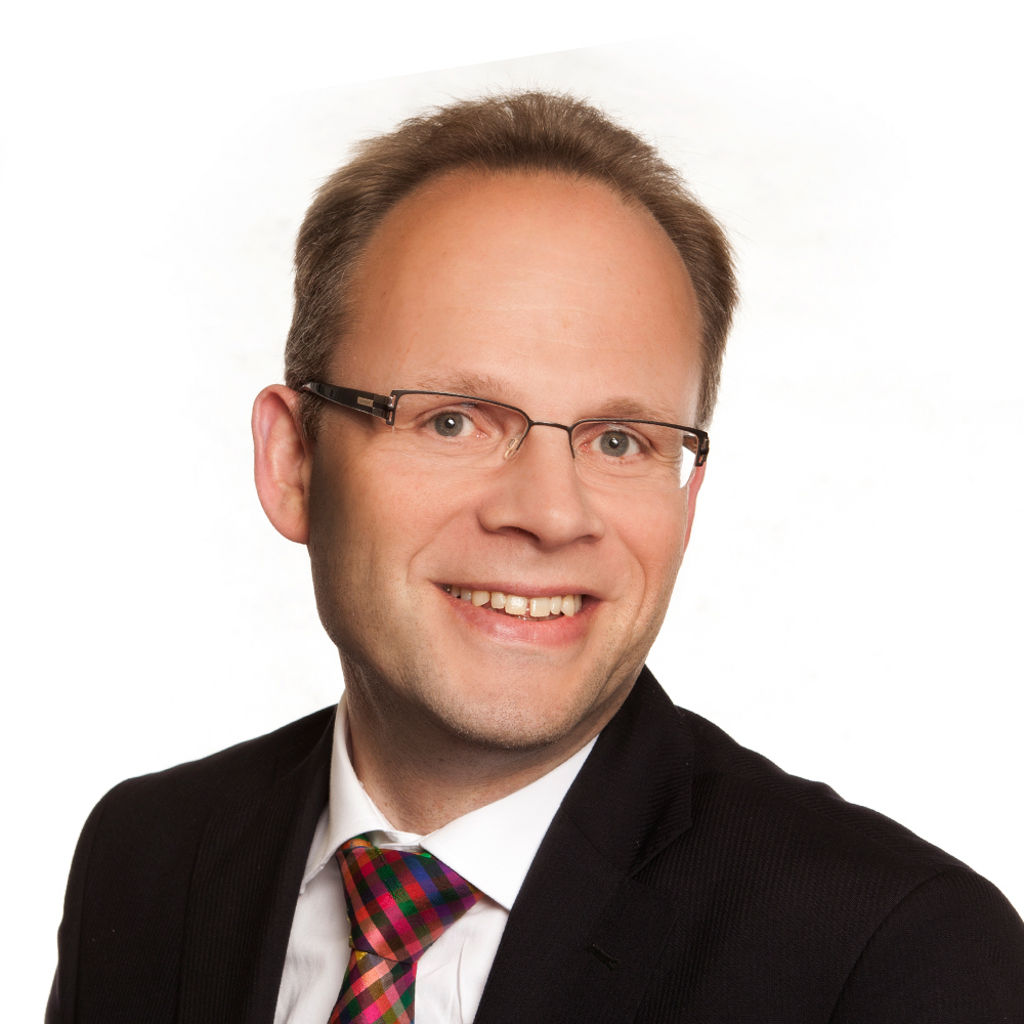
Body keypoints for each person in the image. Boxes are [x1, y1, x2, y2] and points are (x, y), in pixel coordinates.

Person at [47, 91, 1024, 1024]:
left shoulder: (897, 958)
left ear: (685, 496)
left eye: (620, 440)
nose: (551, 514)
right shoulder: (146, 861)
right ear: (293, 462)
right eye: (453, 420)